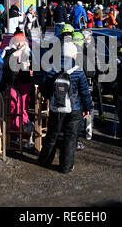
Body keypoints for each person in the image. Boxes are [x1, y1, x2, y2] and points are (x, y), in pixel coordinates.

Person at [38, 41, 92, 174]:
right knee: (70, 138)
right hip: (74, 109)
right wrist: (87, 108)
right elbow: (84, 91)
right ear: (73, 55)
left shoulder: (51, 68)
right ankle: (66, 167)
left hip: (56, 108)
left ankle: (44, 160)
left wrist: (50, 97)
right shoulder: (78, 71)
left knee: (52, 135)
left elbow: (43, 87)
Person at [2, 28, 32, 137]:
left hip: (24, 81)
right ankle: (14, 129)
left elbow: (35, 65)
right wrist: (15, 55)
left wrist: (30, 66)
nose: (19, 43)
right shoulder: (8, 50)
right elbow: (4, 64)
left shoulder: (28, 51)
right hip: (12, 82)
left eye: (21, 40)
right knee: (14, 105)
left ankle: (24, 128)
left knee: (24, 105)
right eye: (17, 40)